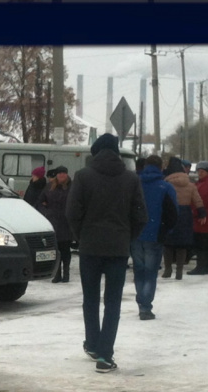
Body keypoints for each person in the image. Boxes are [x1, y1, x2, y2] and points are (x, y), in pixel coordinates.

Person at [67, 133, 147, 373]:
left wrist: (82, 236)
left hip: (90, 248)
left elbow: (71, 212)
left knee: (90, 299)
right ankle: (105, 356)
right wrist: (126, 237)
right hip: (118, 249)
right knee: (113, 302)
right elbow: (141, 216)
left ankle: (92, 343)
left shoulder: (82, 176)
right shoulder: (131, 179)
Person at [130, 155, 177, 320]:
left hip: (135, 234)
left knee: (139, 270)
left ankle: (141, 302)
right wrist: (166, 232)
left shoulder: (135, 184)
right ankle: (145, 306)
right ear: (161, 167)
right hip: (156, 235)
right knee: (150, 272)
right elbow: (173, 214)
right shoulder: (165, 187)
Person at [162, 157, 205, 280]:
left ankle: (168, 269)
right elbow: (197, 200)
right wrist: (202, 212)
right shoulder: (190, 185)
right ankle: (179, 271)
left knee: (168, 244)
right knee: (182, 244)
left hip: (169, 213)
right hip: (185, 214)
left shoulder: (166, 184)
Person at [37, 166, 72, 283]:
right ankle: (57, 274)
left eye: (64, 173)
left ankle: (66, 273)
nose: (62, 175)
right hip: (53, 222)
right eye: (60, 173)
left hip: (66, 222)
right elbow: (40, 202)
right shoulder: (49, 187)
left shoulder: (72, 187)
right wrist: (46, 211)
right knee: (56, 249)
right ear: (56, 175)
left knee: (66, 250)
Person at [188, 161, 208, 275]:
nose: (199, 173)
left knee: (201, 243)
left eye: (202, 171)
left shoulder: (206, 185)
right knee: (207, 244)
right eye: (198, 171)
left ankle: (201, 267)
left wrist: (196, 213)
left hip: (203, 218)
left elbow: (200, 201)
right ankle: (207, 266)